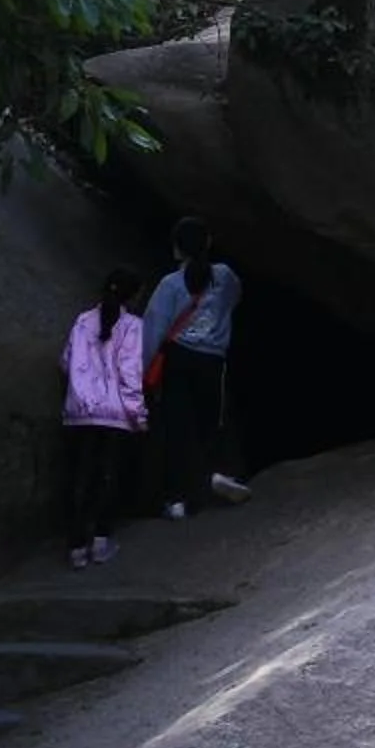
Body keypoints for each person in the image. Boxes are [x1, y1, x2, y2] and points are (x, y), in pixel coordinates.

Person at [142, 216, 250, 518]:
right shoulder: (225, 276)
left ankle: (177, 498)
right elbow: (234, 299)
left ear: (177, 250)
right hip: (212, 359)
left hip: (178, 358)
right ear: (208, 242)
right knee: (212, 420)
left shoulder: (170, 285)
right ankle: (218, 474)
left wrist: (141, 370)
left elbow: (154, 329)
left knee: (177, 427)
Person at [60, 269, 148, 568]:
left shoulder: (82, 321)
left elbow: (66, 361)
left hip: (80, 413)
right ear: (134, 295)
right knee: (107, 477)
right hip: (115, 415)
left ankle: (75, 548)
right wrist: (138, 414)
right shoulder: (133, 326)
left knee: (81, 477)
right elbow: (130, 374)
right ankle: (100, 542)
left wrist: (81, 392)